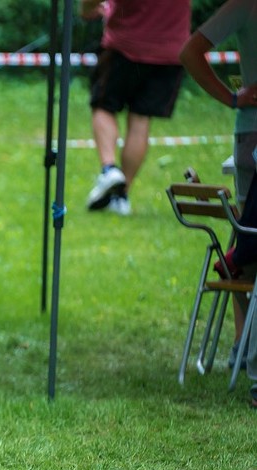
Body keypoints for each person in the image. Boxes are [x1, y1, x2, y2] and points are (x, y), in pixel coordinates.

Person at [180, 0, 257, 408]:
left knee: (247, 245)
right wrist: (232, 98)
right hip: (252, 135)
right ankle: (245, 352)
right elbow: (190, 51)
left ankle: (244, 351)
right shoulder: (245, 6)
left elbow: (189, 50)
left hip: (250, 135)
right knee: (249, 245)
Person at [81, 0, 191, 216]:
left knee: (103, 107)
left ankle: (109, 170)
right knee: (140, 120)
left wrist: (87, 9)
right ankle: (121, 196)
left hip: (125, 45)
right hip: (170, 51)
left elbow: (90, 3)